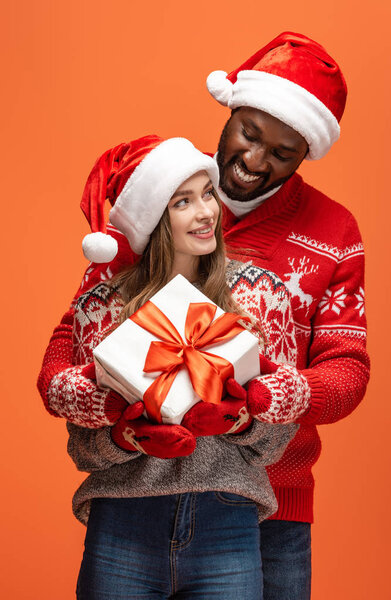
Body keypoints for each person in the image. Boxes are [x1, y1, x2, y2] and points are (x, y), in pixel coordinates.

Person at [38, 32, 370, 599]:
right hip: (136, 498)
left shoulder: (331, 235)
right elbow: (74, 342)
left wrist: (264, 400)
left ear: (304, 155)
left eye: (282, 153)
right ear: (231, 111)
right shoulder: (154, 197)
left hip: (273, 497)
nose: (253, 160)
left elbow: (348, 370)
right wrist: (104, 407)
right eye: (248, 133)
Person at [55, 134, 298, 598]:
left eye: (208, 193)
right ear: (153, 220)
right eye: (182, 202)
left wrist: (240, 419)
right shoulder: (104, 306)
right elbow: (82, 450)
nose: (206, 212)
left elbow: (278, 439)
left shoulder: (260, 295)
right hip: (122, 524)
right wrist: (127, 436)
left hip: (227, 518)